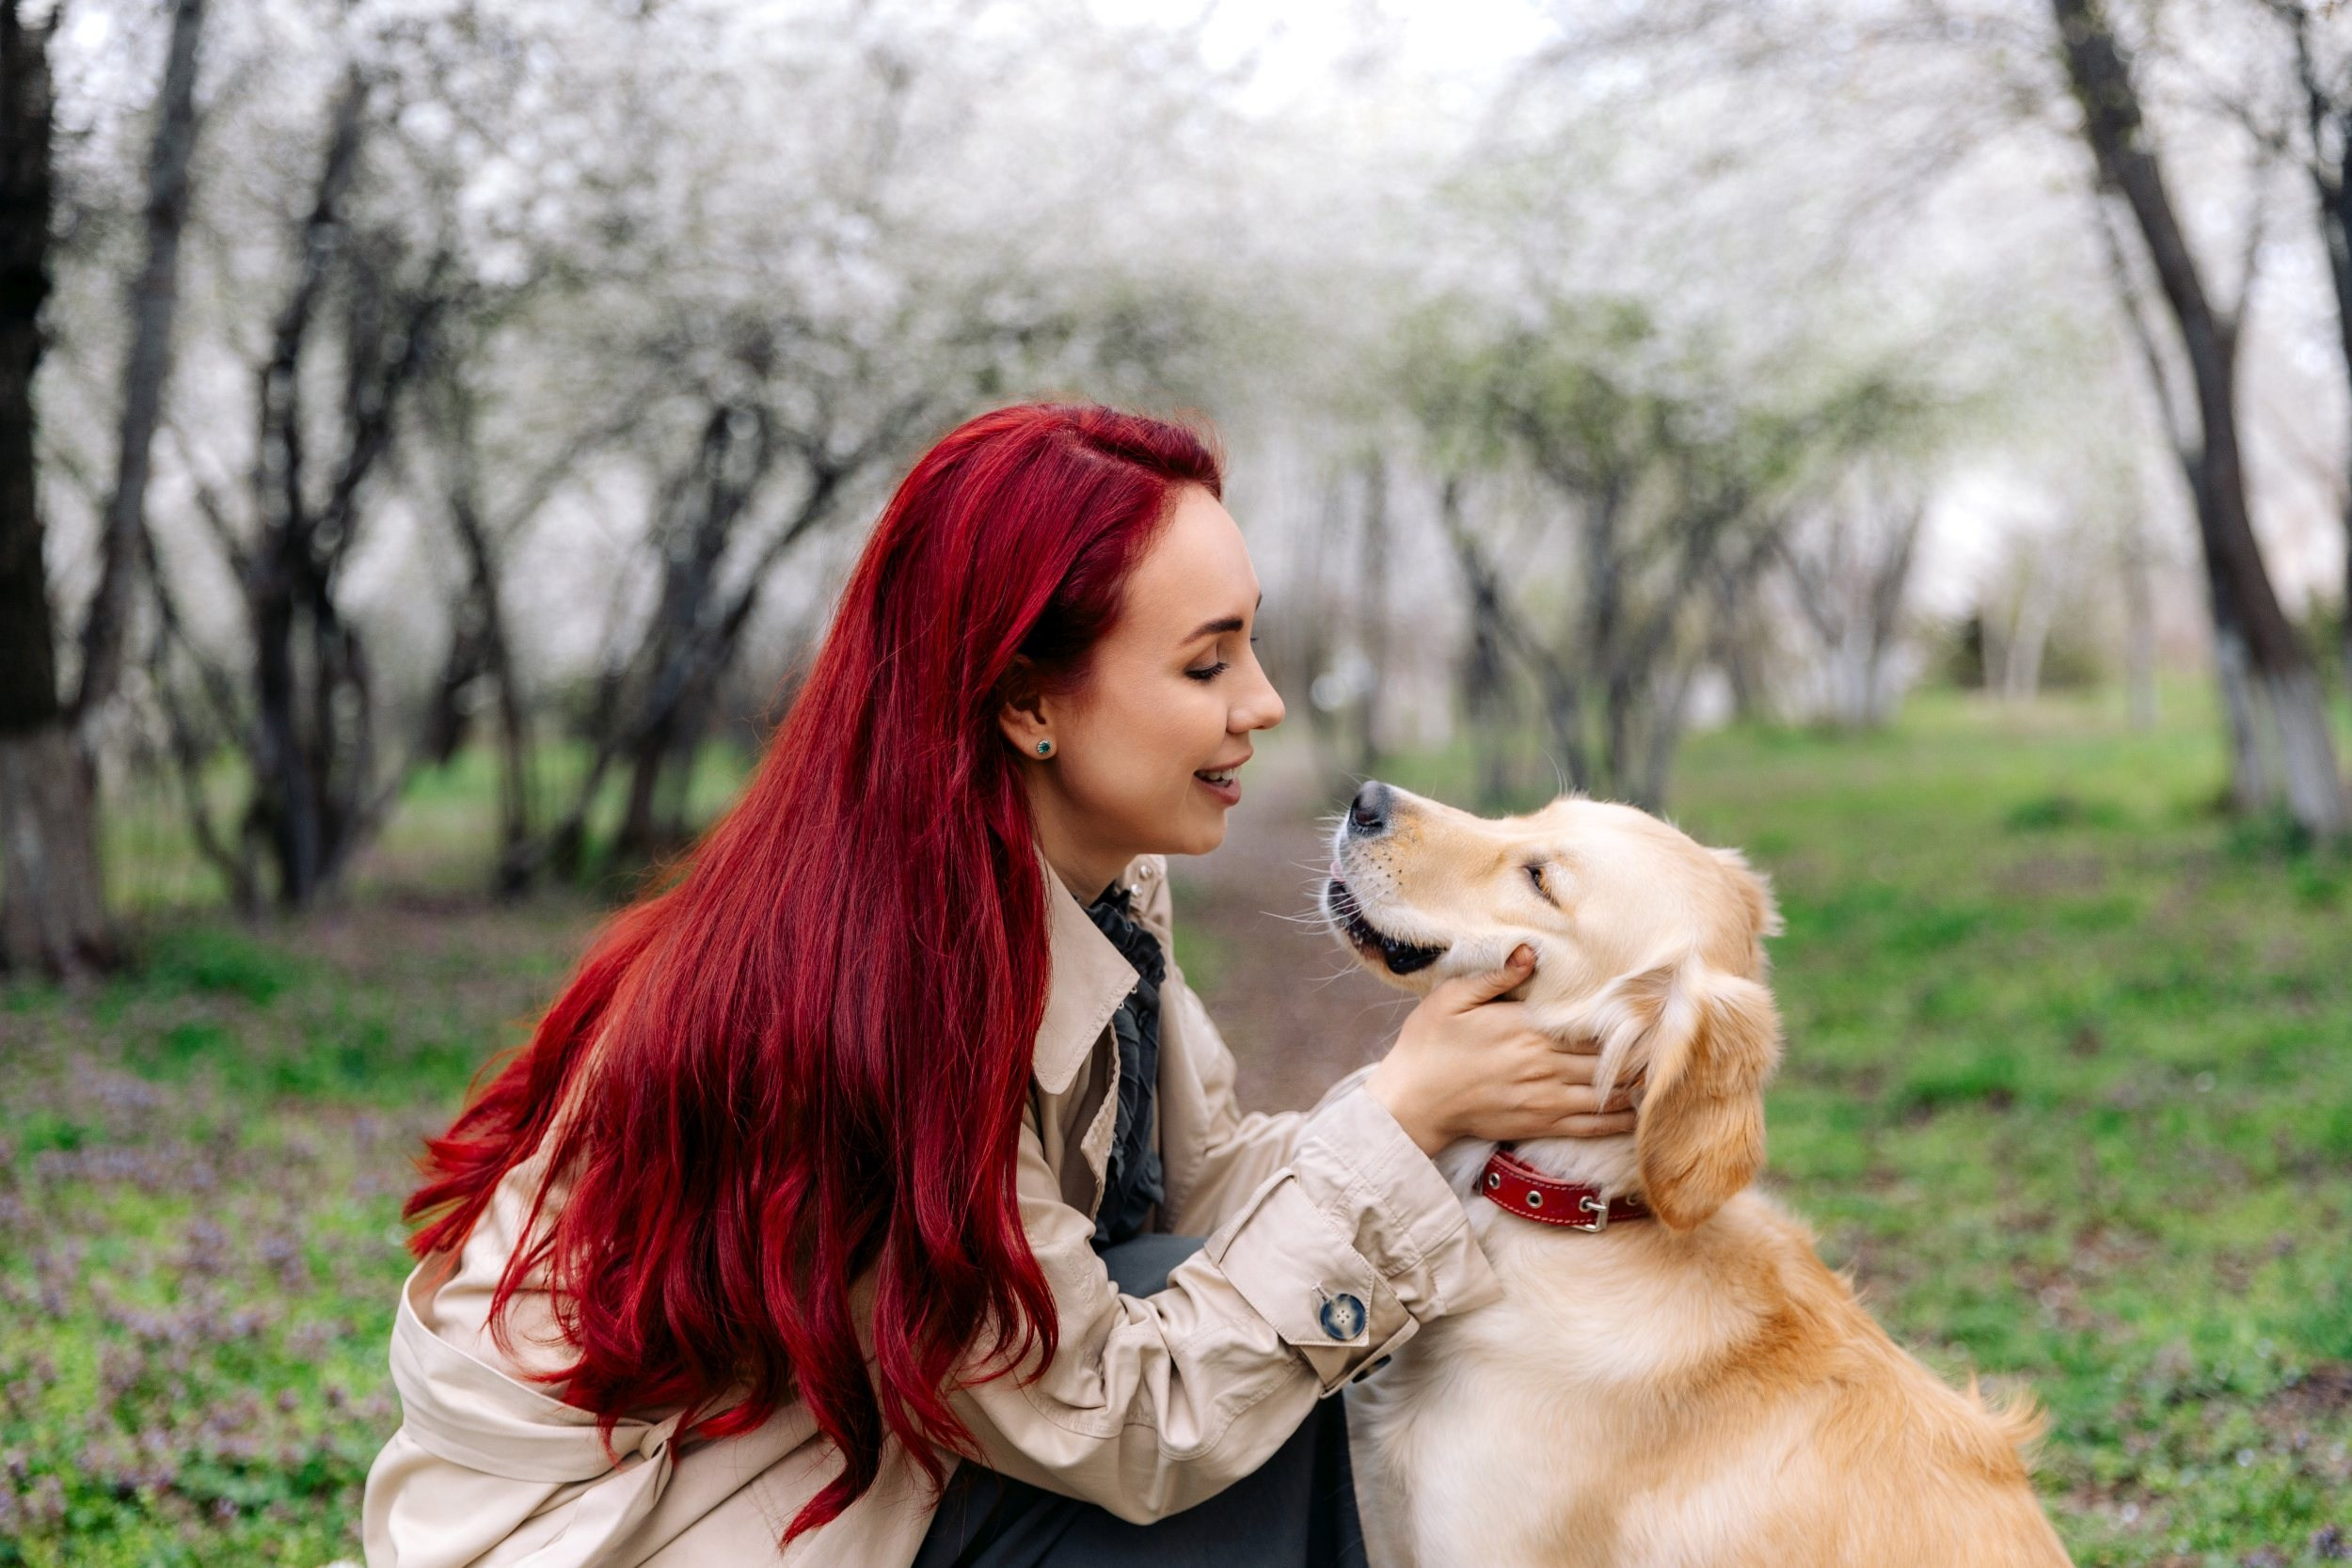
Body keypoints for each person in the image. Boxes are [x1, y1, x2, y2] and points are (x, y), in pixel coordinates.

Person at [360, 404, 1635, 1568]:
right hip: (626, 1525)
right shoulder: (859, 1004)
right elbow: (1131, 1423)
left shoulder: (1084, 881)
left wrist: (1438, 1107)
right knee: (1241, 1427)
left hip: (838, 1436)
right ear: (1030, 702)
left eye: (1253, 647)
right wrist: (1400, 1124)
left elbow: (1203, 1191)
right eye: (1207, 665)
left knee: (1279, 1347)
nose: (1266, 703)